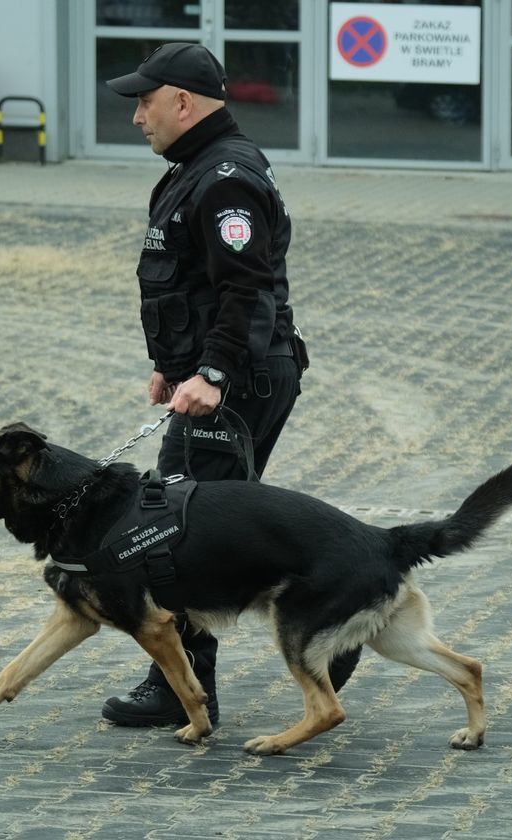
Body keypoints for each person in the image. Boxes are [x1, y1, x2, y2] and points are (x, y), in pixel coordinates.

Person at [101, 42, 360, 728]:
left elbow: (246, 289)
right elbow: (196, 283)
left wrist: (212, 372)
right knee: (201, 521)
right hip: (227, 372)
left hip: (238, 380)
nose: (138, 119)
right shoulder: (199, 169)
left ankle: (184, 689)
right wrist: (176, 362)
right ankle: (333, 631)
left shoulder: (223, 178)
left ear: (183, 102)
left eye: (146, 103)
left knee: (176, 530)